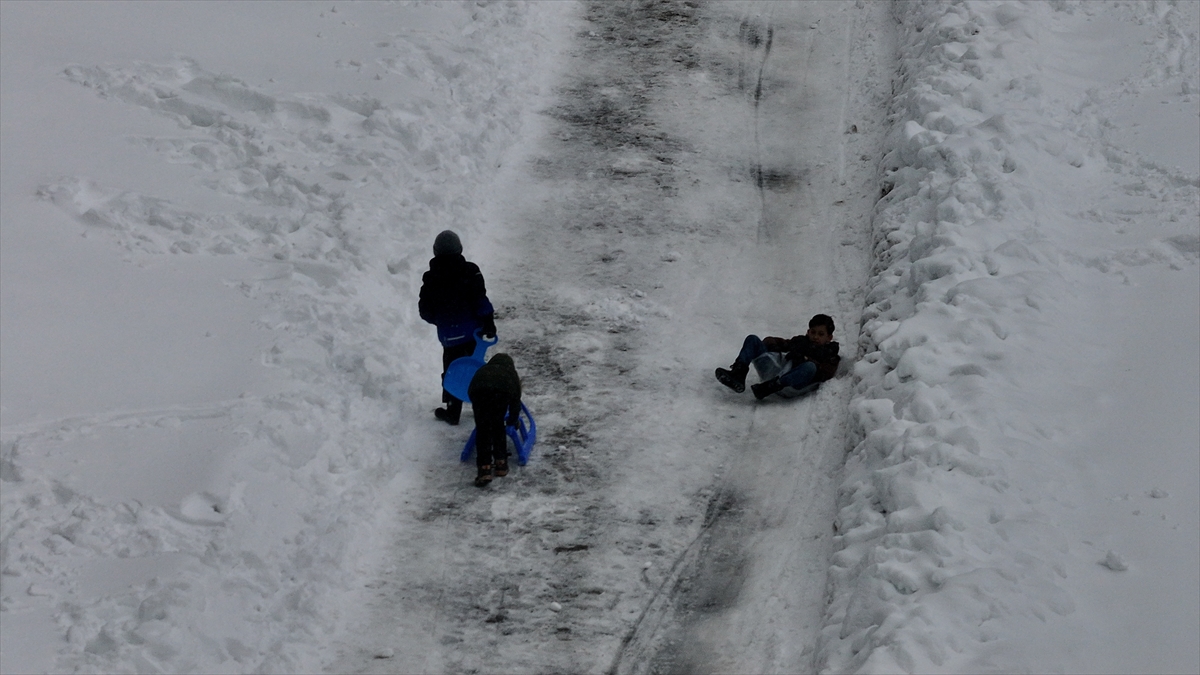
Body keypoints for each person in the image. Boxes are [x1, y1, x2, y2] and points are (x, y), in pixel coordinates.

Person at [419, 230, 497, 425]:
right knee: (475, 366)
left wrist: (441, 321)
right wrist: (488, 322)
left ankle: (453, 411)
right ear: (460, 248)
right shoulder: (470, 271)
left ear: (435, 251)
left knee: (452, 369)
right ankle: (481, 407)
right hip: (472, 333)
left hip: (448, 336)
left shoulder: (430, 278)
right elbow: (480, 299)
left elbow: (425, 310)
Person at [715, 314, 841, 400]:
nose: (815, 337)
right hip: (775, 373)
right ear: (808, 332)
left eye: (821, 334)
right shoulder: (800, 341)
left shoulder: (830, 354)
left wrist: (805, 359)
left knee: (810, 367)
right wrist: (773, 345)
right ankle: (738, 373)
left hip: (789, 385)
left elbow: (826, 372)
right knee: (752, 339)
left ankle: (771, 386)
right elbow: (778, 342)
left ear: (829, 337)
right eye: (813, 332)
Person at [467, 353, 522, 487]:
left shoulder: (484, 369)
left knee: (483, 429)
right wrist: (513, 420)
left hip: (477, 392)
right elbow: (515, 403)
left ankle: (484, 468)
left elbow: (472, 386)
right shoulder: (510, 374)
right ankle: (500, 463)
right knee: (498, 426)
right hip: (500, 393)